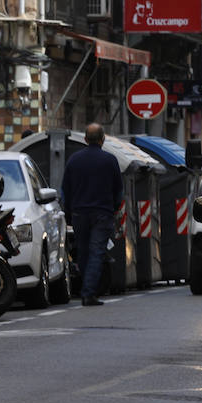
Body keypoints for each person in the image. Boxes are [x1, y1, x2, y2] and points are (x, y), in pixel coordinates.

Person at [61, 123, 124, 306]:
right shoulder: (110, 160)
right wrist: (113, 209)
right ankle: (88, 292)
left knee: (83, 252)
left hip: (80, 213)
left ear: (86, 139)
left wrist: (69, 212)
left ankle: (87, 289)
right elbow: (118, 191)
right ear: (103, 139)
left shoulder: (74, 160)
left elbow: (65, 189)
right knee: (97, 252)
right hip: (102, 214)